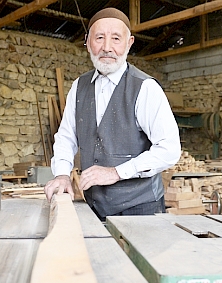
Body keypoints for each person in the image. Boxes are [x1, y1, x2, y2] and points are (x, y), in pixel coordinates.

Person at [44, 7, 181, 220]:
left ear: (129, 43)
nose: (107, 47)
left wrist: (116, 172)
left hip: (140, 208)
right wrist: (61, 174)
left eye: (116, 38)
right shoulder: (79, 87)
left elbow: (169, 149)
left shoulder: (145, 88)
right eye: (99, 38)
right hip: (95, 207)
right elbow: (66, 137)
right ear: (88, 42)